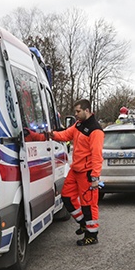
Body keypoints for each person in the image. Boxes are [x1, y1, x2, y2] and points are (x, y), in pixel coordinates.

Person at [38, 100, 104, 246]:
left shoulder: (95, 130)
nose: (75, 114)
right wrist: (51, 135)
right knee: (67, 196)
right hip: (76, 170)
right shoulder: (79, 125)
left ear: (87, 110)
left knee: (88, 204)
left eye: (78, 111)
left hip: (86, 173)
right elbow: (66, 135)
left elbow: (97, 155)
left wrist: (94, 176)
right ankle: (83, 223)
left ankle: (92, 235)